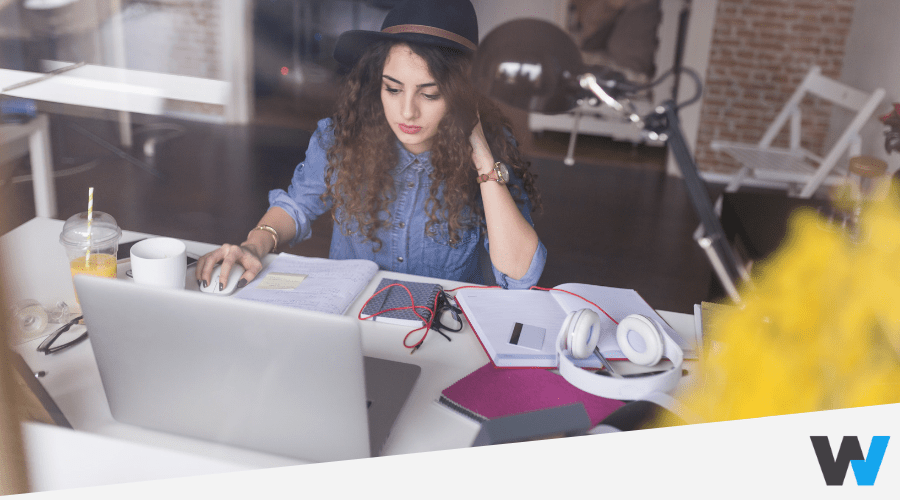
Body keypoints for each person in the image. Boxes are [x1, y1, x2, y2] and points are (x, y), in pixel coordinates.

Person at [197, 0, 546, 291]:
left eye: (430, 94)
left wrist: (483, 160)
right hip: (354, 319)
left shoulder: (494, 152)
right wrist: (253, 245)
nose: (407, 111)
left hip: (443, 328)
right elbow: (297, 206)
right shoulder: (342, 136)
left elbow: (519, 275)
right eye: (392, 89)